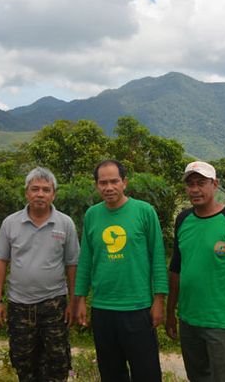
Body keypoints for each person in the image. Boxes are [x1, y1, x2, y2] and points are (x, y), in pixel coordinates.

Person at [74, 159, 168, 382]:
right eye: (103, 183)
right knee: (111, 373)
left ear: (124, 182)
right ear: (96, 185)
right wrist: (80, 299)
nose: (109, 187)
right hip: (102, 308)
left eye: (114, 181)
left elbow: (157, 257)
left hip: (138, 308)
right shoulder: (92, 215)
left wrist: (159, 300)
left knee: (147, 373)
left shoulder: (144, 211)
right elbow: (86, 260)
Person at [165, 161, 225, 382]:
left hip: (220, 321)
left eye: (201, 183)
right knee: (197, 377)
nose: (195, 189)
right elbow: (176, 268)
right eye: (190, 184)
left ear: (214, 184)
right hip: (188, 319)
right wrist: (171, 312)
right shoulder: (183, 219)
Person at [0, 167, 80, 382]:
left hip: (54, 304)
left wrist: (74, 302)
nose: (40, 194)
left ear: (53, 194)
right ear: (26, 193)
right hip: (19, 305)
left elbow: (72, 264)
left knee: (57, 362)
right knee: (23, 361)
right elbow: (0, 260)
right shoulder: (11, 223)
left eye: (46, 190)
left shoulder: (65, 223)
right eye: (35, 189)